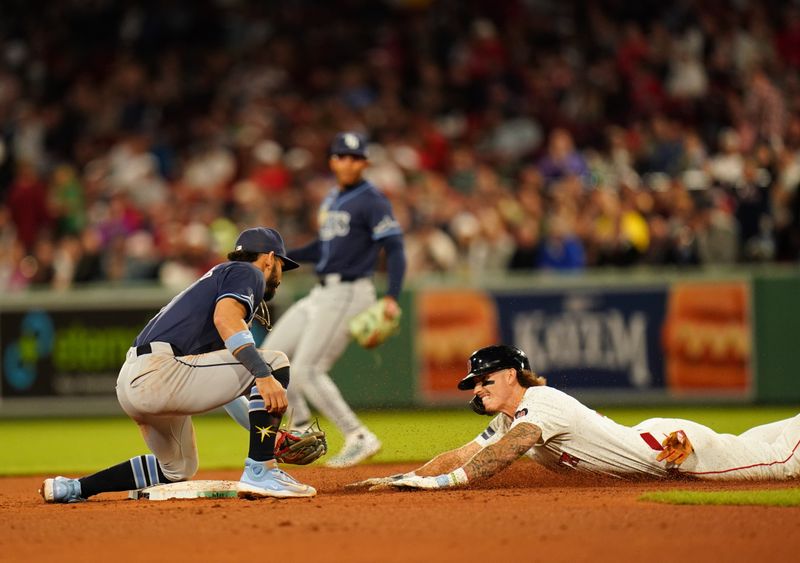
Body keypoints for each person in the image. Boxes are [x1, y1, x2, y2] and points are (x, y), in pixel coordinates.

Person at [40, 227, 317, 502]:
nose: (281, 275)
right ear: (270, 258)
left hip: (135, 380)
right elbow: (226, 320)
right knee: (273, 361)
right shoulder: (248, 272)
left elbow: (229, 391)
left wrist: (271, 437)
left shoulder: (218, 281)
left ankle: (74, 488)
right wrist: (263, 373)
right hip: (160, 371)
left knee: (178, 468)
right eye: (282, 264)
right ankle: (262, 471)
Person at [351, 344, 800, 490]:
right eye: (474, 384)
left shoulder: (539, 406)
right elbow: (465, 453)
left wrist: (439, 485)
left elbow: (505, 454)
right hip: (649, 439)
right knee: (757, 442)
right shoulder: (513, 414)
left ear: (510, 375)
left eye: (485, 380)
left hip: (671, 452)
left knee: (780, 462)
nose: (479, 388)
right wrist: (402, 478)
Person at [262, 131, 406, 468]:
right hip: (320, 292)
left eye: (355, 158)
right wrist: (279, 257)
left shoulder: (372, 200)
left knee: (307, 370)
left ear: (364, 163)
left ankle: (358, 435)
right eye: (342, 156)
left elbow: (395, 248)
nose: (348, 163)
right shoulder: (331, 199)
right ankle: (298, 430)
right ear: (332, 161)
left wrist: (393, 297)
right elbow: (320, 248)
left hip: (350, 291)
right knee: (270, 359)